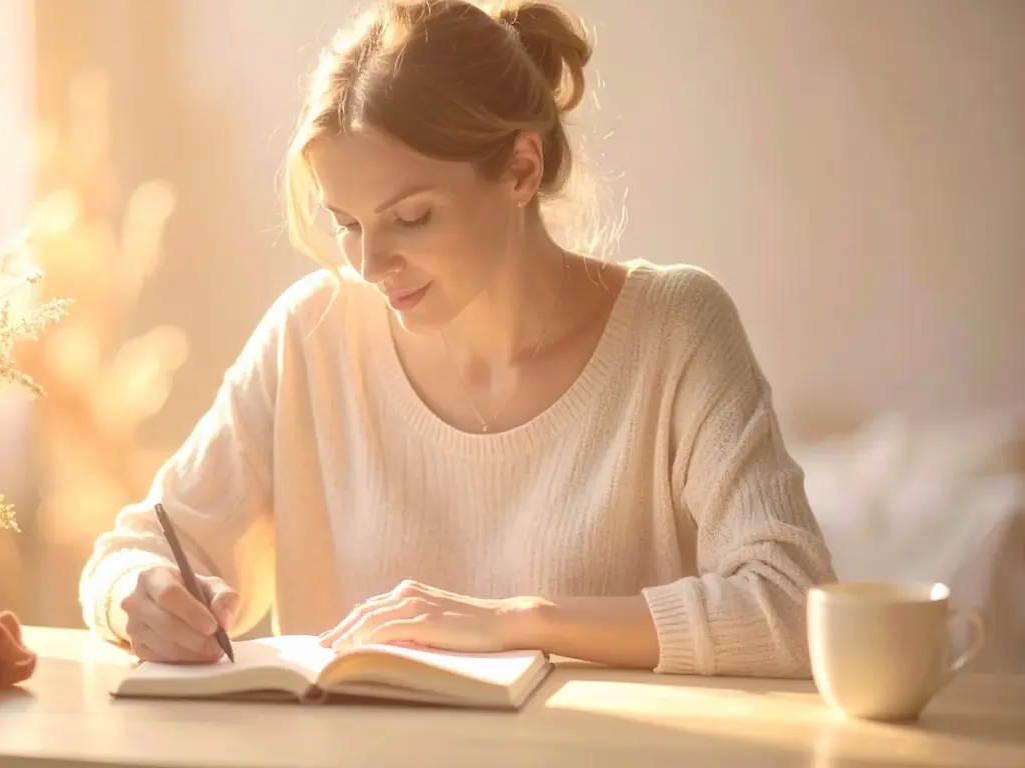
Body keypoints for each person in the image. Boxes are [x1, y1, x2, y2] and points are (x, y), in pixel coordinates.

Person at [78, 0, 835, 678]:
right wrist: (134, 597)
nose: (370, 264)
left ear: (519, 169)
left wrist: (514, 621)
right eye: (347, 224)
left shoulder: (674, 330)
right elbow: (129, 554)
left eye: (411, 219)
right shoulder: (311, 339)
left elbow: (792, 606)